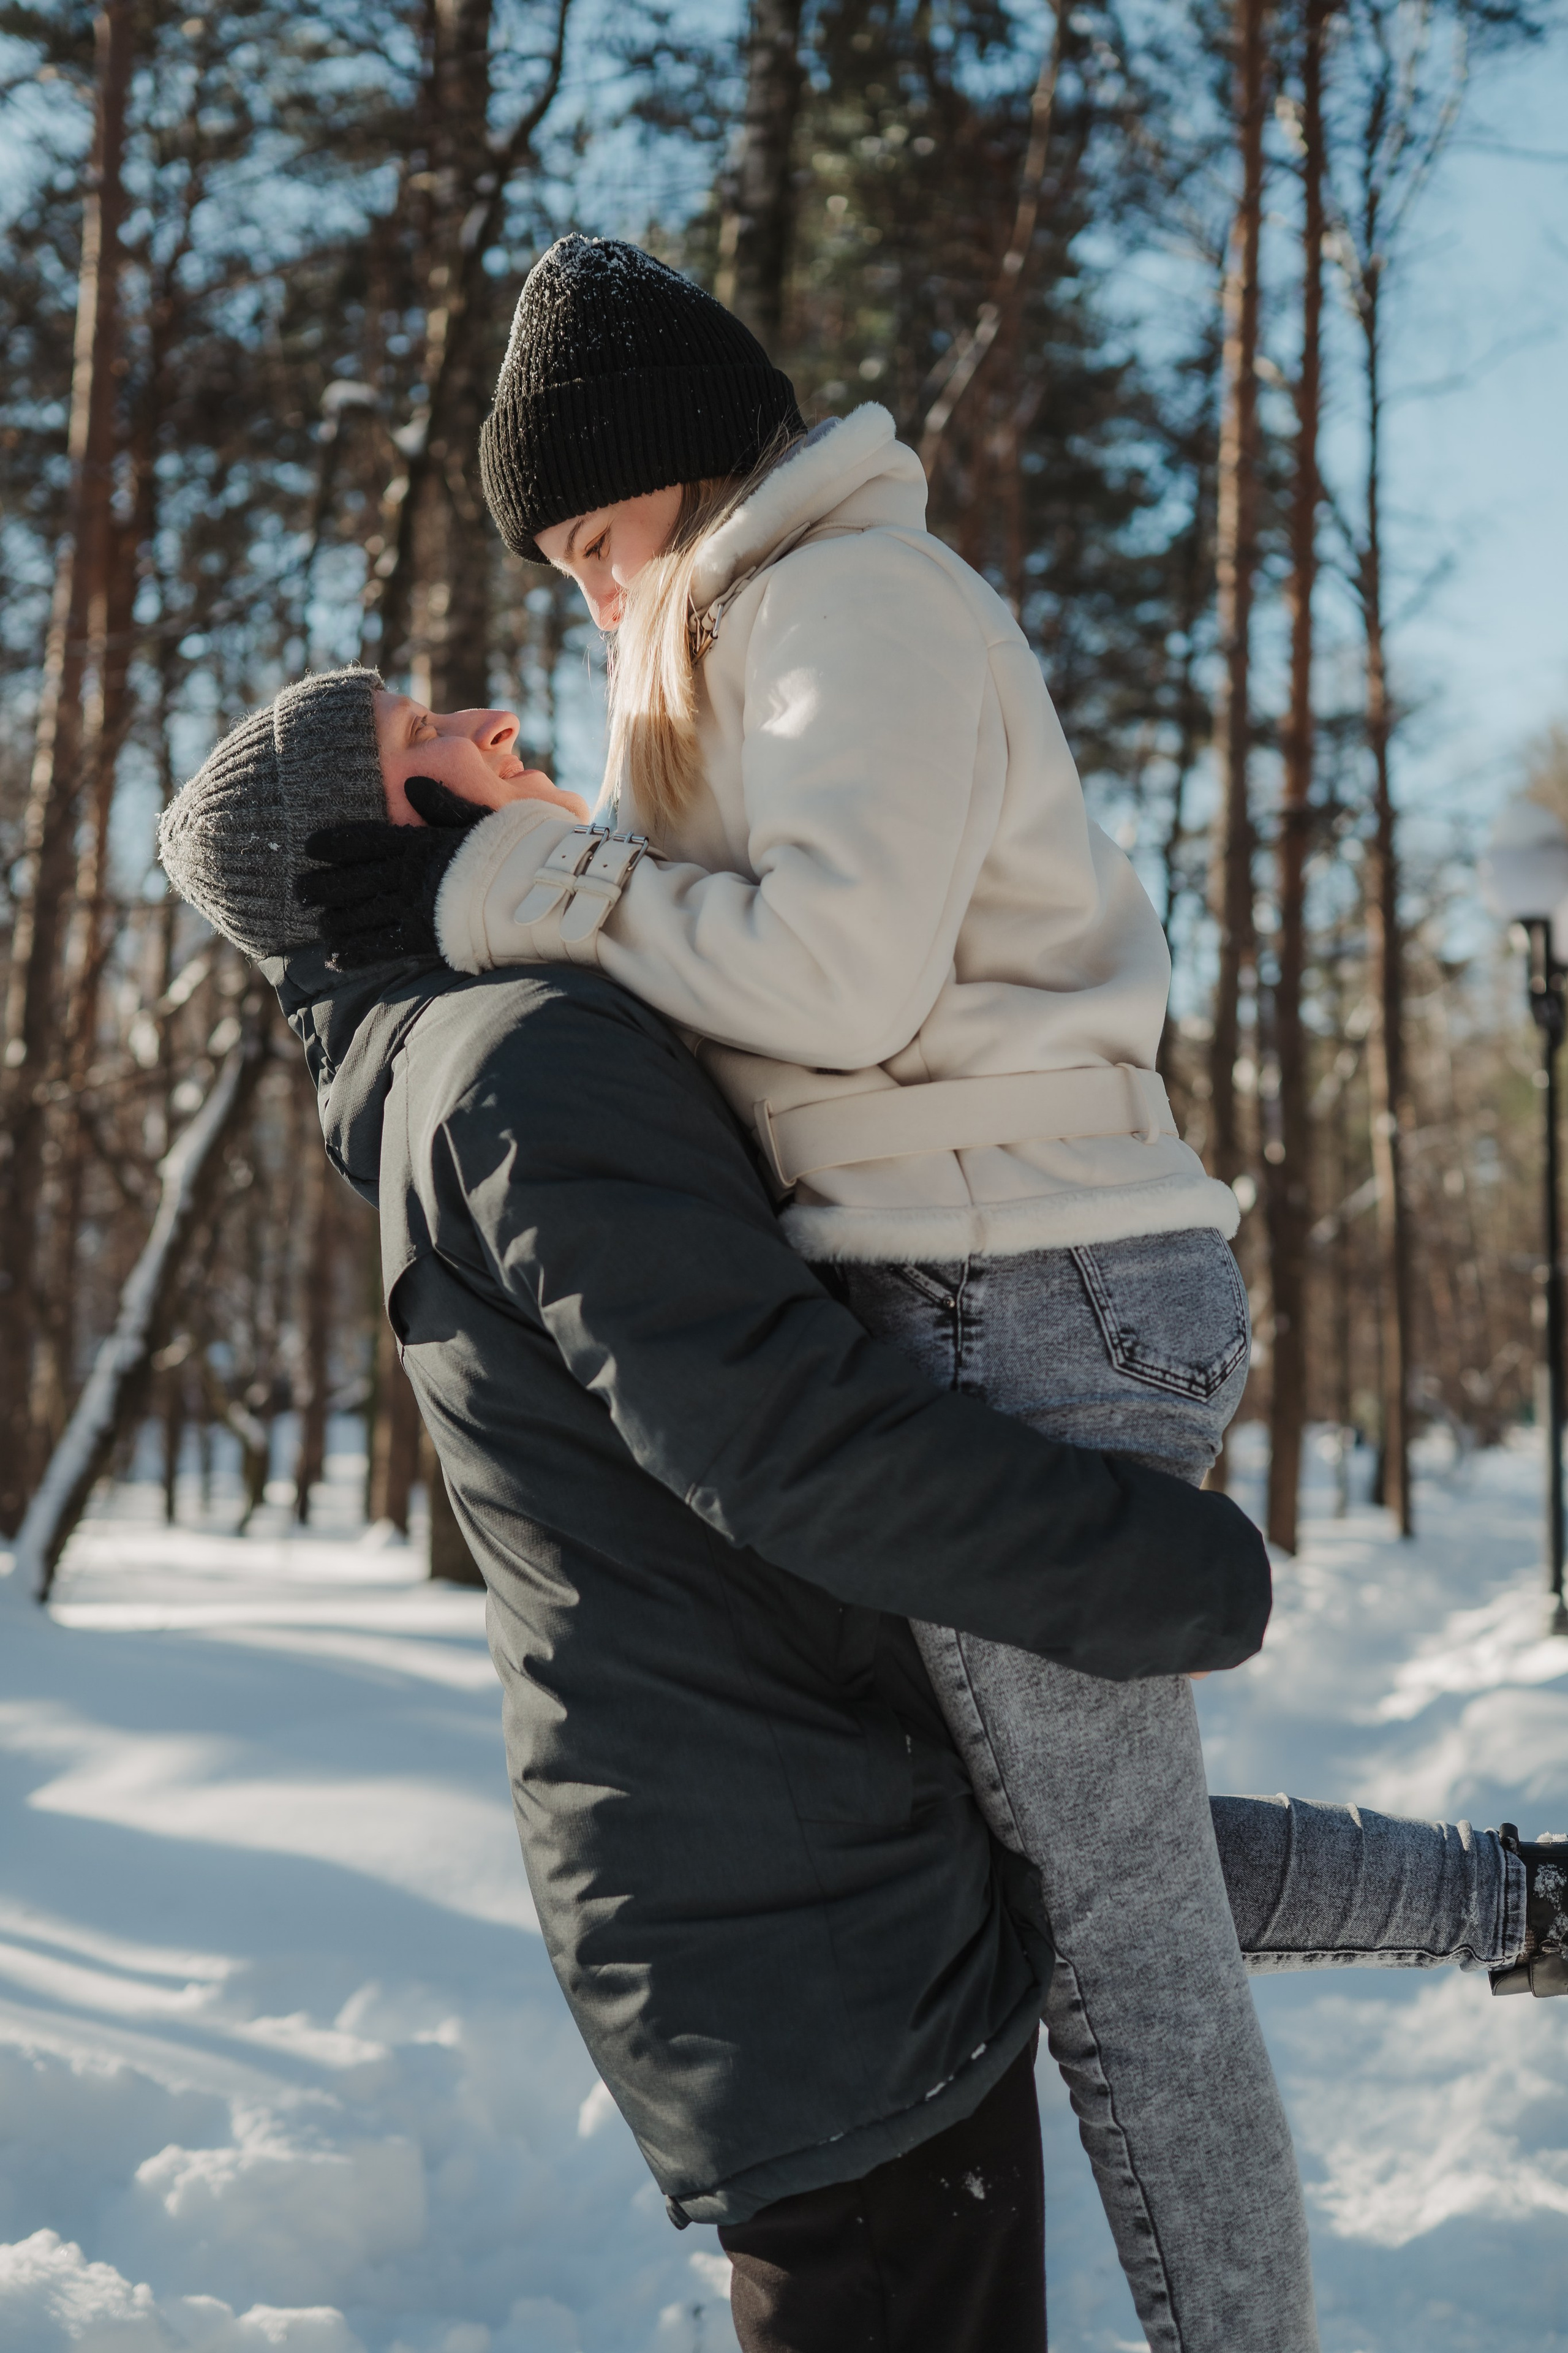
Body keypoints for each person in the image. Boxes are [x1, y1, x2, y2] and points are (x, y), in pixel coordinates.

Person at [159, 665, 1568, 2353]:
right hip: (799, 1933)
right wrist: (1159, 1568)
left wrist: (1506, 1902)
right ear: (366, 846)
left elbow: (1133, 1870)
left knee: (1114, 1867)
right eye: (419, 741)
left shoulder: (484, 1056)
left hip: (791, 1863)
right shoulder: (520, 1059)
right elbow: (777, 1433)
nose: (486, 723)